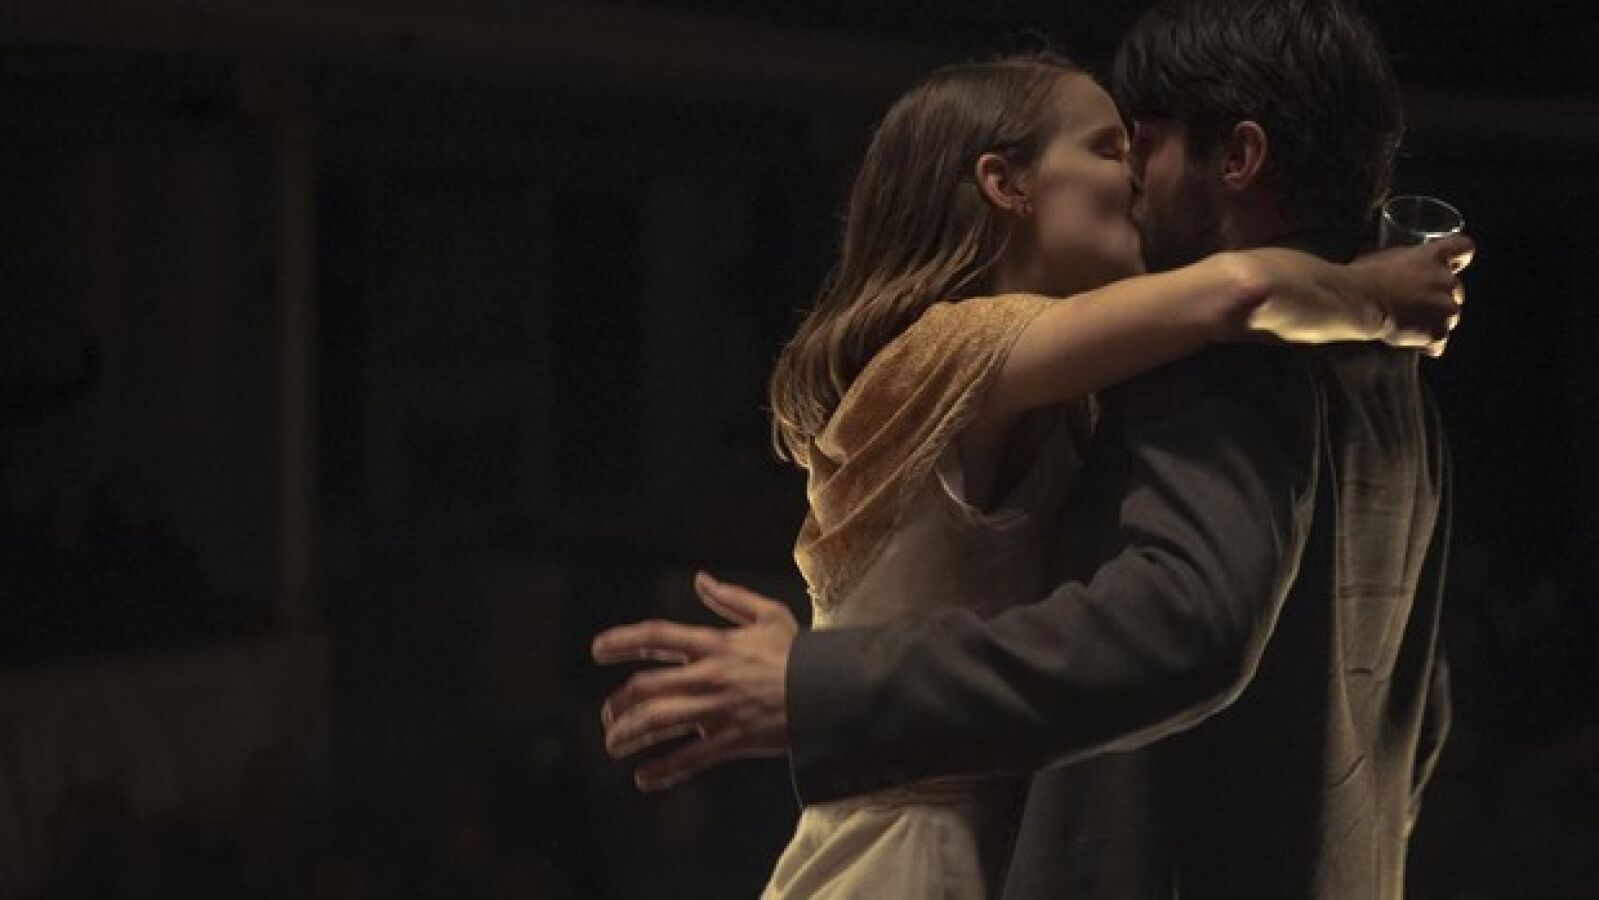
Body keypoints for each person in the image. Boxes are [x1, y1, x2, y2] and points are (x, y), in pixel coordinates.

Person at [594, 2, 1468, 896]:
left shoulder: (1214, 364)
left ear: (1238, 156)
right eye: (1109, 148)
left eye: (1139, 145)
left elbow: (1179, 632)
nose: (1132, 178)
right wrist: (1374, 299)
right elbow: (1413, 712)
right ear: (1005, 185)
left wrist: (820, 687)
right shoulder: (1384, 390)